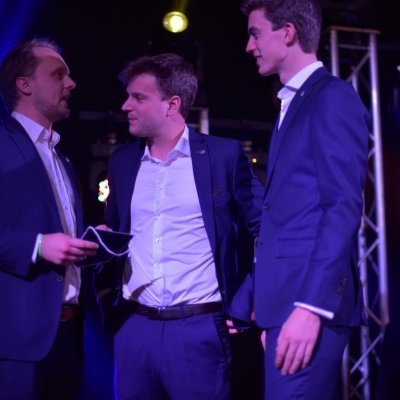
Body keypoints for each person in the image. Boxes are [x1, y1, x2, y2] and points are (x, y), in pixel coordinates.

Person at [94, 52, 264, 400]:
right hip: (134, 327)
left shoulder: (222, 156)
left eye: (138, 97)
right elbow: (114, 231)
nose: (126, 106)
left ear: (172, 104)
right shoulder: (123, 162)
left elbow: (266, 226)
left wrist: (251, 296)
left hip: (198, 329)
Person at [240, 1, 370, 399]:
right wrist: (270, 309)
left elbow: (342, 206)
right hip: (284, 308)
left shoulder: (330, 97)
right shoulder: (294, 102)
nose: (249, 46)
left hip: (306, 305)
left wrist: (310, 308)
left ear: (288, 32)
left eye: (255, 34)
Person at [0, 38, 99, 400]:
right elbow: (41, 241)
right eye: (58, 74)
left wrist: (91, 241)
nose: (71, 83)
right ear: (24, 84)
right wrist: (38, 246)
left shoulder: (62, 157)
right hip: (15, 342)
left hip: (68, 337)